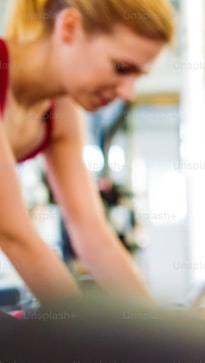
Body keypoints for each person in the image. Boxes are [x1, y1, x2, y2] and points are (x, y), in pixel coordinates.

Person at [0, 0, 173, 304]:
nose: (127, 92)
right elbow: (14, 234)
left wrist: (155, 327)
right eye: (122, 68)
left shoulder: (60, 110)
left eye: (137, 76)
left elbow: (92, 235)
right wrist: (82, 334)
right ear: (69, 27)